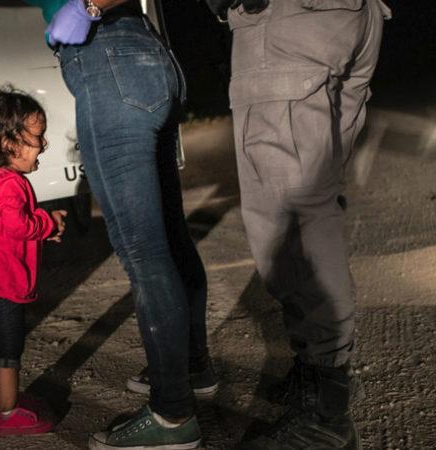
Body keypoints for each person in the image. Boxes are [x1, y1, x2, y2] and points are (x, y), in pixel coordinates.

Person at [201, 0, 391, 448]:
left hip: (291, 21)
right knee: (315, 201)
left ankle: (326, 412)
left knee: (288, 218)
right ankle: (322, 375)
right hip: (348, 17)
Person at [30, 1, 216, 448]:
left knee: (144, 251)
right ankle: (190, 366)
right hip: (144, 55)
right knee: (168, 236)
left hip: (109, 58)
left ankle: (172, 414)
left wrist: (88, 5)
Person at [0, 87, 67, 436]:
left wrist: (42, 227)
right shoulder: (8, 184)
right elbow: (15, 224)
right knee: (10, 348)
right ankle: (8, 413)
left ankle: (9, 400)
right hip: (0, 281)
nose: (43, 144)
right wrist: (47, 222)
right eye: (37, 137)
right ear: (10, 144)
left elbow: (4, 225)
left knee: (8, 344)